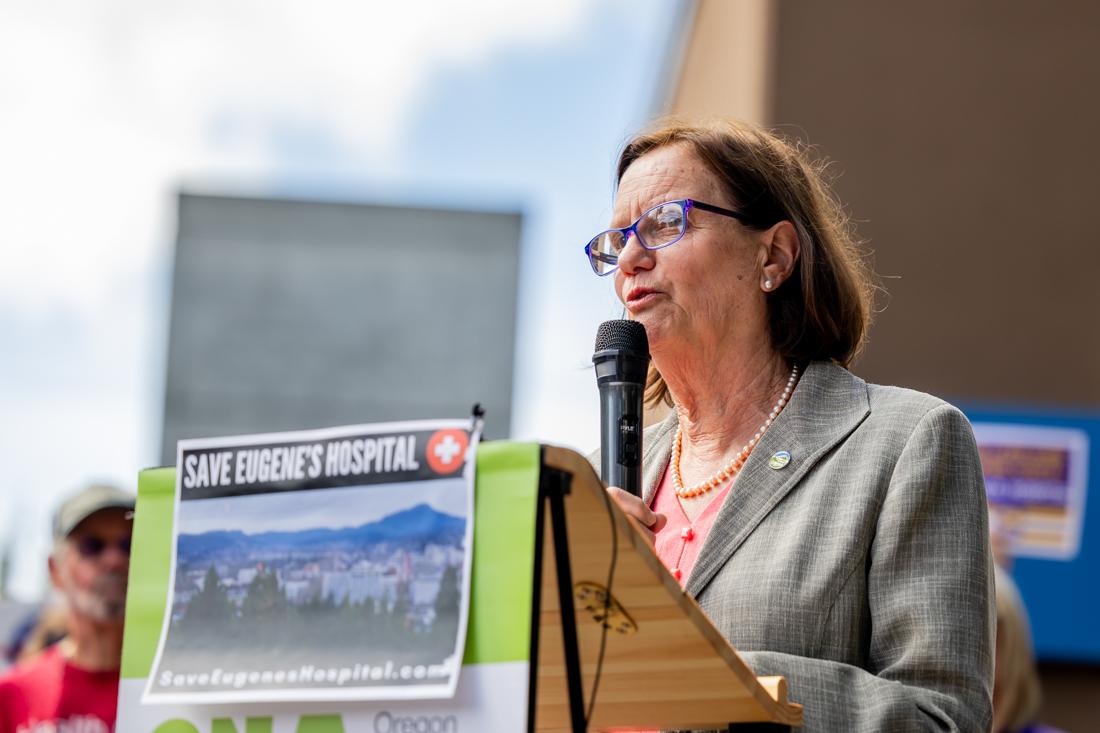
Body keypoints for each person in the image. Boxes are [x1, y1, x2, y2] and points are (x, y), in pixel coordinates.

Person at [586, 119, 994, 731]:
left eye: (665, 223)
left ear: (772, 255)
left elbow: (943, 718)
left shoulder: (906, 443)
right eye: (617, 242)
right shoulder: (599, 481)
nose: (632, 261)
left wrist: (715, 685)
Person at [0, 484, 134, 733]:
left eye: (129, 545)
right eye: (93, 546)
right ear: (55, 570)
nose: (114, 560)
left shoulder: (175, 693)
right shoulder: (10, 696)